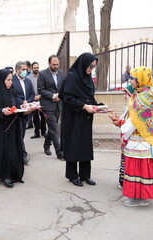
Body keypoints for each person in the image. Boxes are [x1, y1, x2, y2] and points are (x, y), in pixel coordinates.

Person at [121, 66, 153, 207]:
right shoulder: (151, 91)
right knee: (144, 167)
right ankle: (142, 196)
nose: (131, 82)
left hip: (140, 138)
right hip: (149, 136)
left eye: (133, 79)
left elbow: (136, 120)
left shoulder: (142, 98)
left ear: (140, 80)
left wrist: (124, 132)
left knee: (138, 167)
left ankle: (139, 197)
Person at [59, 52, 98, 187]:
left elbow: (90, 97)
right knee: (74, 145)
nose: (91, 69)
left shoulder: (87, 78)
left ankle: (85, 175)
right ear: (83, 64)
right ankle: (72, 175)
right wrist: (84, 106)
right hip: (73, 118)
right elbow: (68, 98)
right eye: (90, 66)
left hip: (85, 118)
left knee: (85, 146)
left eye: (93, 67)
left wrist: (99, 106)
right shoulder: (72, 77)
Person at [37, 55, 64, 159]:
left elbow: (63, 87)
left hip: (58, 105)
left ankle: (46, 145)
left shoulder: (61, 73)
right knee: (54, 128)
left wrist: (60, 96)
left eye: (57, 64)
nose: (56, 66)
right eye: (54, 64)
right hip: (48, 105)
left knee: (52, 127)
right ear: (49, 63)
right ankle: (59, 152)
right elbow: (40, 89)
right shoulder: (43, 74)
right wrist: (53, 96)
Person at [108, 85, 135, 189]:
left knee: (128, 162)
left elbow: (131, 124)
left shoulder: (134, 109)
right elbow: (124, 124)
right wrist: (117, 120)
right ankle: (123, 182)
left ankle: (126, 184)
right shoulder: (128, 109)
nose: (124, 96)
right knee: (124, 161)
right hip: (125, 141)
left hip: (130, 141)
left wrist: (119, 122)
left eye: (126, 94)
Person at [12, 61, 35, 164]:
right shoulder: (12, 80)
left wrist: (28, 102)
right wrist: (22, 102)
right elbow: (12, 95)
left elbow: (32, 94)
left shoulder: (28, 81)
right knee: (19, 132)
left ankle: (18, 151)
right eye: (23, 69)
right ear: (17, 70)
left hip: (26, 111)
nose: (25, 71)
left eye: (26, 69)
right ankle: (23, 155)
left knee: (22, 134)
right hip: (17, 111)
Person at [27, 61, 47, 139]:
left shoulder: (42, 76)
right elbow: (28, 89)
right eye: (35, 68)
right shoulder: (28, 78)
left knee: (43, 117)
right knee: (35, 117)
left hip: (42, 99)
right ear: (32, 68)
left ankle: (43, 132)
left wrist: (41, 95)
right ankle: (36, 133)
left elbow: (45, 87)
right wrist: (33, 97)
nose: (36, 69)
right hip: (33, 100)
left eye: (37, 67)